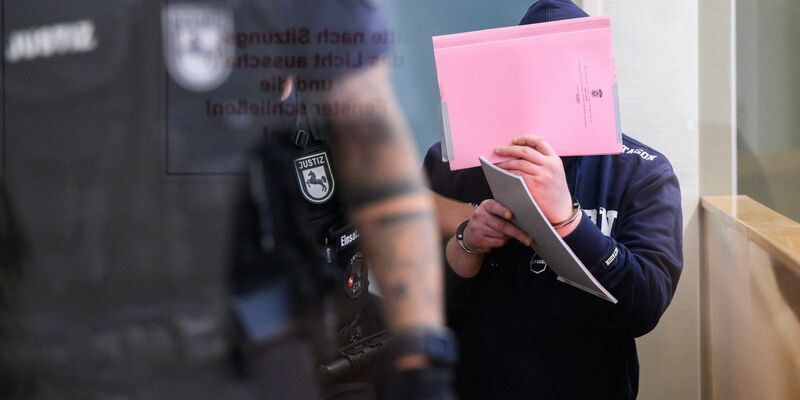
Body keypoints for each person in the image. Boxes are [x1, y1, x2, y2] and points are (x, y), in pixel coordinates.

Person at [423, 1, 683, 399]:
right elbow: (418, 305)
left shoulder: (643, 173)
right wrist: (466, 245)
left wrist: (569, 221)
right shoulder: (451, 165)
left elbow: (644, 307)